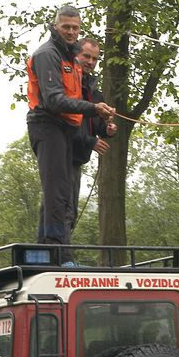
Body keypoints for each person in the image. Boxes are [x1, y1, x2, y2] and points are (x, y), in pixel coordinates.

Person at [27, 5, 115, 263]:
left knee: (61, 195)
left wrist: (102, 121)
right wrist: (93, 109)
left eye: (75, 28)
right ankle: (59, 254)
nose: (70, 31)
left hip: (65, 128)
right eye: (66, 26)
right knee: (57, 195)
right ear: (56, 26)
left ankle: (43, 254)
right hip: (47, 124)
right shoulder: (47, 54)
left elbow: (81, 103)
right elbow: (54, 100)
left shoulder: (70, 58)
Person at [70, 37, 117, 232]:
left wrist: (107, 129)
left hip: (78, 157)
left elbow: (96, 124)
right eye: (86, 56)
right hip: (61, 151)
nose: (90, 62)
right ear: (76, 55)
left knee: (70, 208)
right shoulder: (69, 85)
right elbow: (65, 123)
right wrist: (91, 142)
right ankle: (52, 248)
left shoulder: (93, 91)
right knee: (60, 206)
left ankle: (61, 247)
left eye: (95, 59)